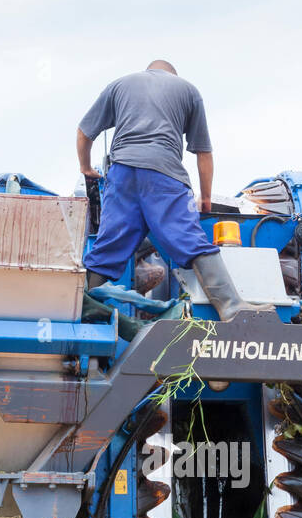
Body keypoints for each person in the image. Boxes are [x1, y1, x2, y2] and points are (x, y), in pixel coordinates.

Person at [77, 61, 269, 322]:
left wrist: (86, 167)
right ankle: (231, 307)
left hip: (121, 172)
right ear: (173, 75)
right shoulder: (188, 90)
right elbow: (204, 152)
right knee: (190, 240)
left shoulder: (119, 85)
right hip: (164, 173)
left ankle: (84, 309)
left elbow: (84, 131)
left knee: (109, 245)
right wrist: (206, 198)